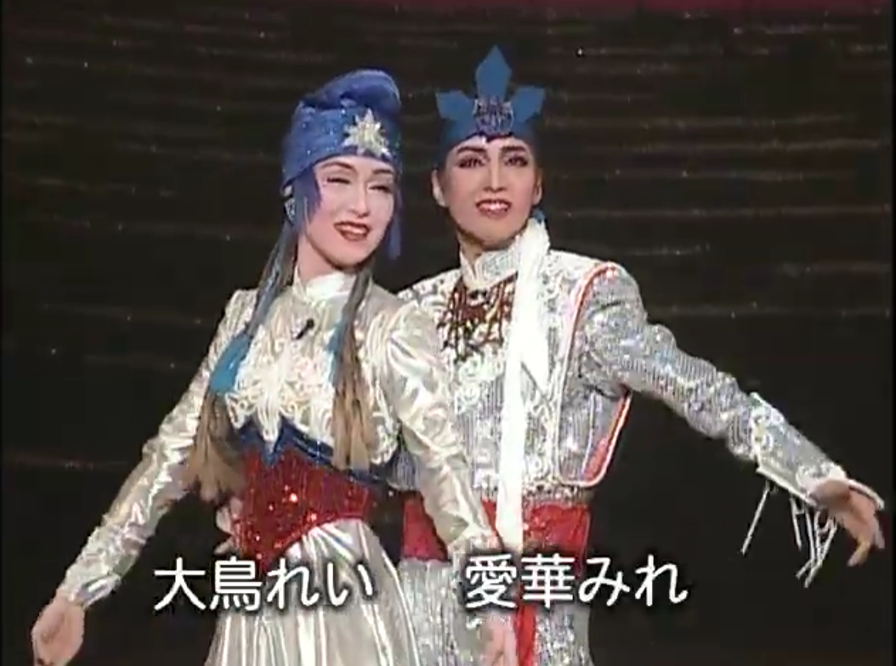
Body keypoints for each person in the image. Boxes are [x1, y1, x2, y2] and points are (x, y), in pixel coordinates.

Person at [389, 46, 887, 666]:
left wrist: (811, 474)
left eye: (514, 160)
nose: (494, 180)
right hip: (420, 599)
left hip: (534, 600)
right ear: (438, 186)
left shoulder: (583, 296)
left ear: (538, 183)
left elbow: (698, 389)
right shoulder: (408, 311)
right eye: (471, 161)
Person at [29, 69, 514, 666]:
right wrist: (78, 590)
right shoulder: (245, 317)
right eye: (339, 179)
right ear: (295, 190)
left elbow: (446, 470)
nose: (362, 206)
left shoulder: (392, 325)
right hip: (253, 609)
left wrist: (492, 601)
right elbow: (169, 457)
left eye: (381, 186)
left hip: (342, 604)